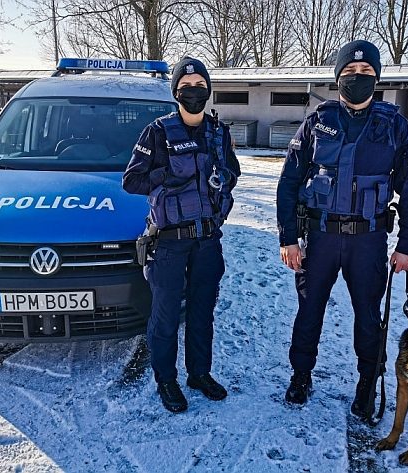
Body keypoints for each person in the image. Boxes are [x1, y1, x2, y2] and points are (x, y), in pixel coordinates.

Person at [276, 40, 408, 419]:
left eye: (366, 73)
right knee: (309, 311)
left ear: (377, 78)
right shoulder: (317, 122)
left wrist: (407, 244)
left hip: (368, 240)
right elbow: (289, 183)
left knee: (367, 317)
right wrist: (288, 237)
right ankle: (301, 375)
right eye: (349, 73)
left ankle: (366, 384)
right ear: (337, 77)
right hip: (321, 237)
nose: (357, 79)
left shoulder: (393, 125)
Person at [122, 57, 240, 413]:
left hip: (207, 239)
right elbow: (131, 181)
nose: (193, 90)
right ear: (176, 91)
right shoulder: (157, 132)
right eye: (186, 85)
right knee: (166, 315)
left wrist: (222, 180)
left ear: (208, 89)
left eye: (199, 84)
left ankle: (199, 374)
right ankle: (167, 379)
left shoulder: (219, 132)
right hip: (170, 242)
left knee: (203, 312)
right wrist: (168, 177)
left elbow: (232, 172)